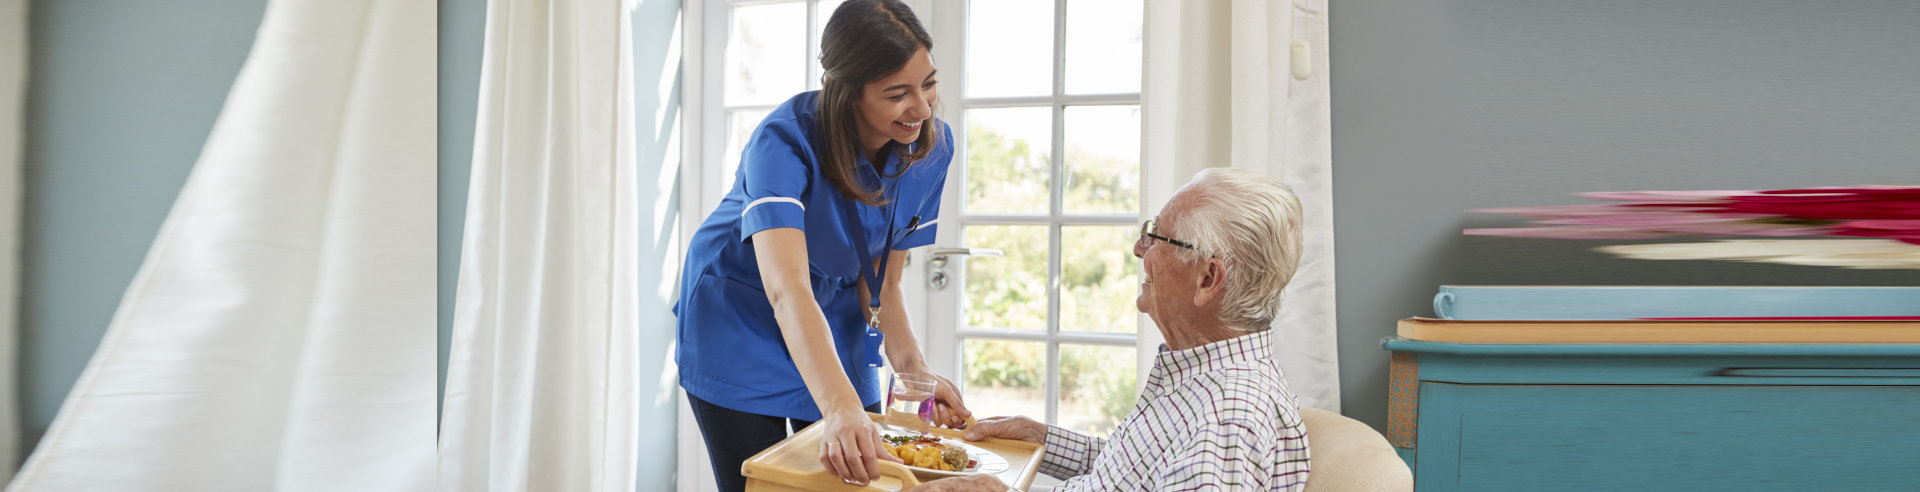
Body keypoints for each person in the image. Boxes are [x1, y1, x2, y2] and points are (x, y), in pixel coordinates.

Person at [673, 1, 971, 490]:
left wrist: (916, 372)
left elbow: (882, 284)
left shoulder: (931, 146)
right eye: (898, 94)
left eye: (929, 83)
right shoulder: (783, 141)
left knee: (866, 476)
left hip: (835, 314)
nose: (922, 107)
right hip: (742, 314)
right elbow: (787, 289)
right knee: (767, 483)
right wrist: (838, 406)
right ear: (848, 93)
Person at [914, 168, 1312, 492]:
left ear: (1207, 279)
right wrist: (1040, 437)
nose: (1139, 250)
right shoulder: (1208, 378)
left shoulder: (1228, 420)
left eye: (1157, 237)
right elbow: (1133, 473)